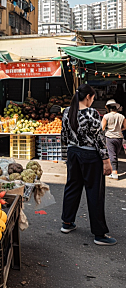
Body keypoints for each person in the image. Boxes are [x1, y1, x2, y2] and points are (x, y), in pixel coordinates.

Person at [61, 84, 116, 246]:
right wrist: (106, 161)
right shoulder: (91, 113)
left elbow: (63, 135)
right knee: (94, 192)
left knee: (72, 186)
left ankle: (67, 222)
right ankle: (99, 234)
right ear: (88, 97)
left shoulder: (66, 112)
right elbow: (99, 138)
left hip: (73, 153)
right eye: (92, 98)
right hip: (90, 155)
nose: (92, 101)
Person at [101, 99, 126, 180]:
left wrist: (109, 130)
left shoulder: (106, 116)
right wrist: (118, 130)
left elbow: (102, 127)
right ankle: (113, 171)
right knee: (115, 154)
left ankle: (114, 172)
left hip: (110, 137)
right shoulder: (122, 116)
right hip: (119, 138)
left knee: (112, 155)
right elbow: (125, 127)